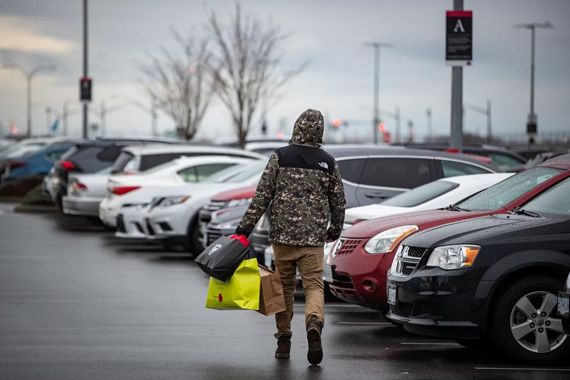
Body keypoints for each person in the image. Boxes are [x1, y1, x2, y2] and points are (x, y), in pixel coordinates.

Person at [235, 109, 346, 366]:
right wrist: (334, 230)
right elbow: (338, 201)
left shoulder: (280, 157)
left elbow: (261, 196)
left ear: (296, 128)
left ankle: (283, 342)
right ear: (320, 131)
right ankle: (314, 323)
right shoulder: (327, 162)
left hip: (282, 238)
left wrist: (244, 230)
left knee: (283, 288)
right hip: (312, 240)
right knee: (314, 286)